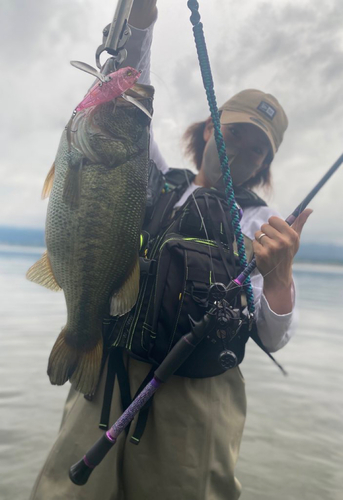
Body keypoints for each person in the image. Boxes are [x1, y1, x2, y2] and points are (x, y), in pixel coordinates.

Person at [29, 2, 312, 499]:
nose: (241, 154)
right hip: (109, 370)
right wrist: (141, 15)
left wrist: (282, 277)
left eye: (256, 150)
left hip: (196, 397)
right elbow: (128, 92)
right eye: (234, 136)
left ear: (267, 163)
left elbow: (273, 335)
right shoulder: (156, 178)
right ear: (208, 129)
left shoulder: (266, 226)